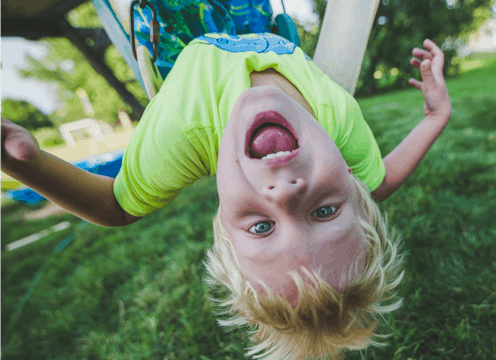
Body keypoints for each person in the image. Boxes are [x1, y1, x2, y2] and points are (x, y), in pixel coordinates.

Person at [2, 3, 452, 358]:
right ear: (351, 183)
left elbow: (117, 206)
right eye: (324, 211)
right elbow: (382, 181)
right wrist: (436, 116)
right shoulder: (338, 119)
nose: (285, 192)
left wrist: (27, 164)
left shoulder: (184, 130)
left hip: (172, 24)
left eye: (261, 226)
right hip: (253, 16)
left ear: (222, 225)